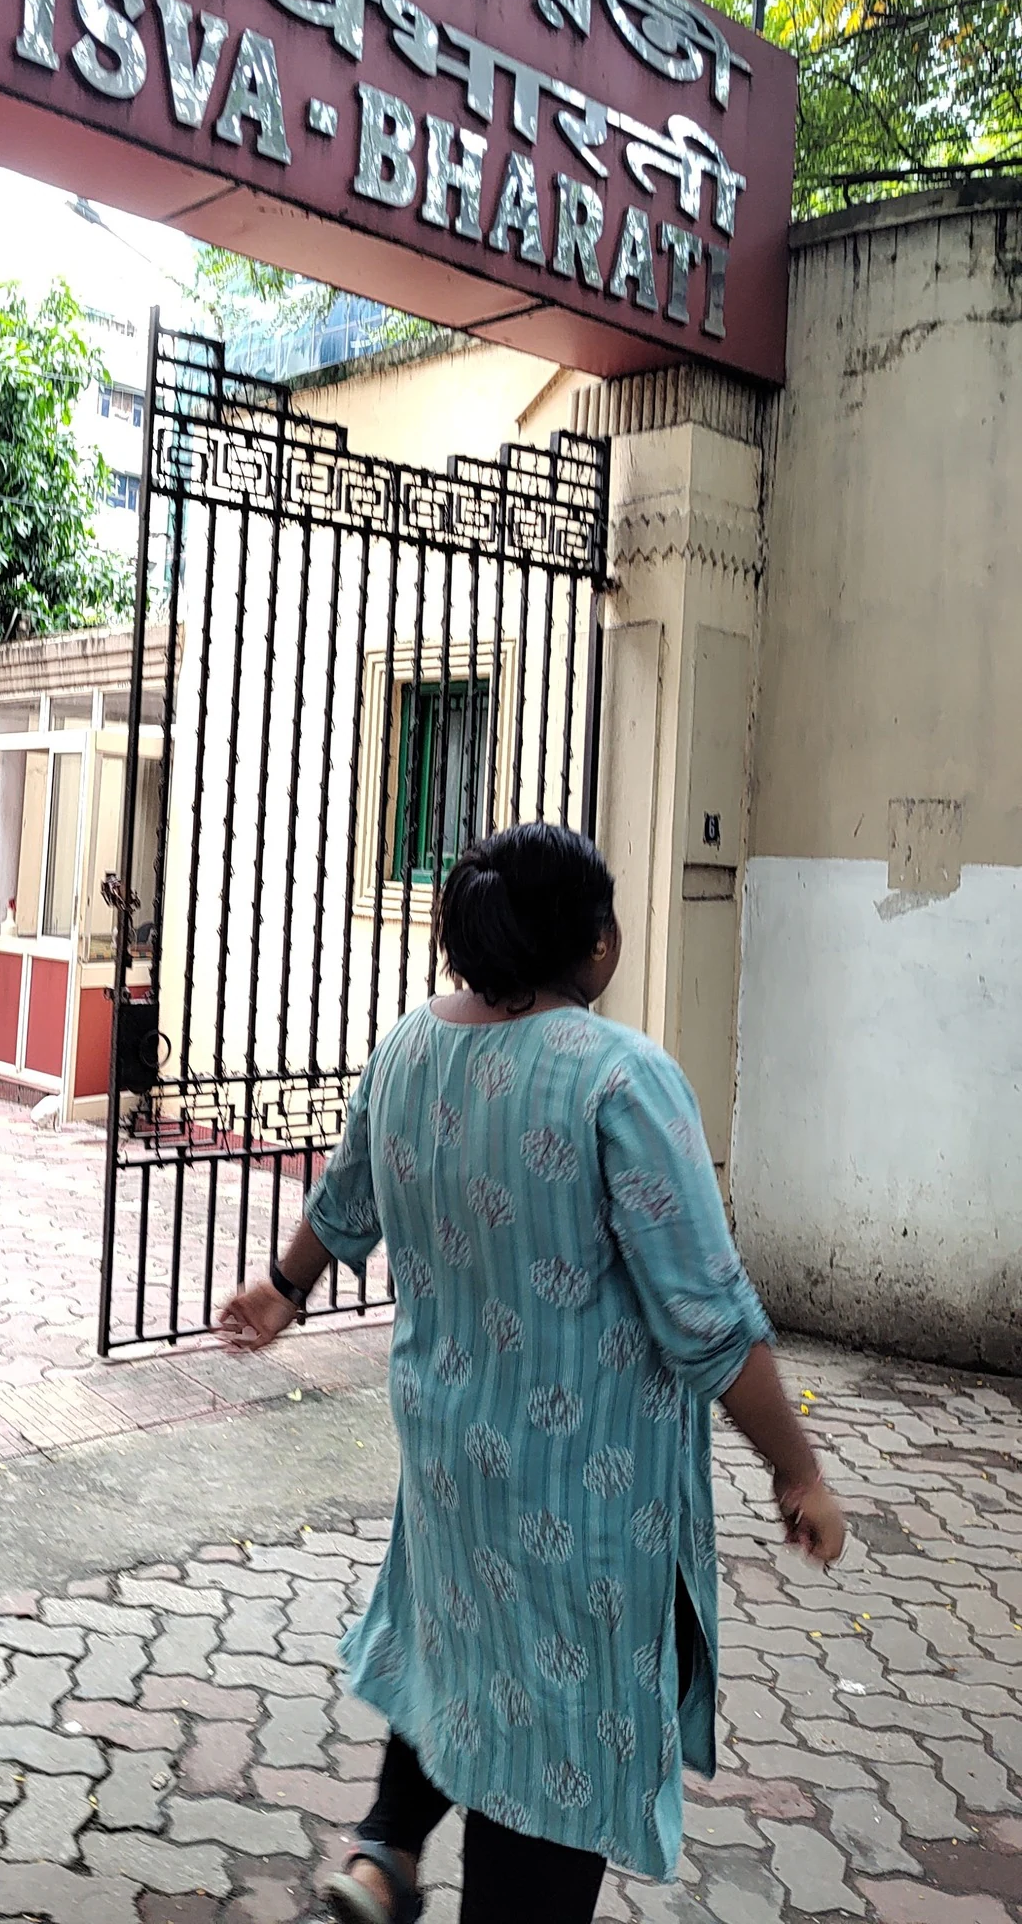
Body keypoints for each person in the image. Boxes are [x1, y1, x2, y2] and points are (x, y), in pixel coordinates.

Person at [218, 823, 844, 1924]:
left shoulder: (409, 1048)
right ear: (596, 944)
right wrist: (798, 1470)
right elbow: (707, 1313)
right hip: (586, 1495)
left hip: (451, 1457)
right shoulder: (621, 1077)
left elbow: (345, 1198)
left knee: (458, 1643)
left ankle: (385, 1851)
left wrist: (282, 1286)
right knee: (557, 1733)